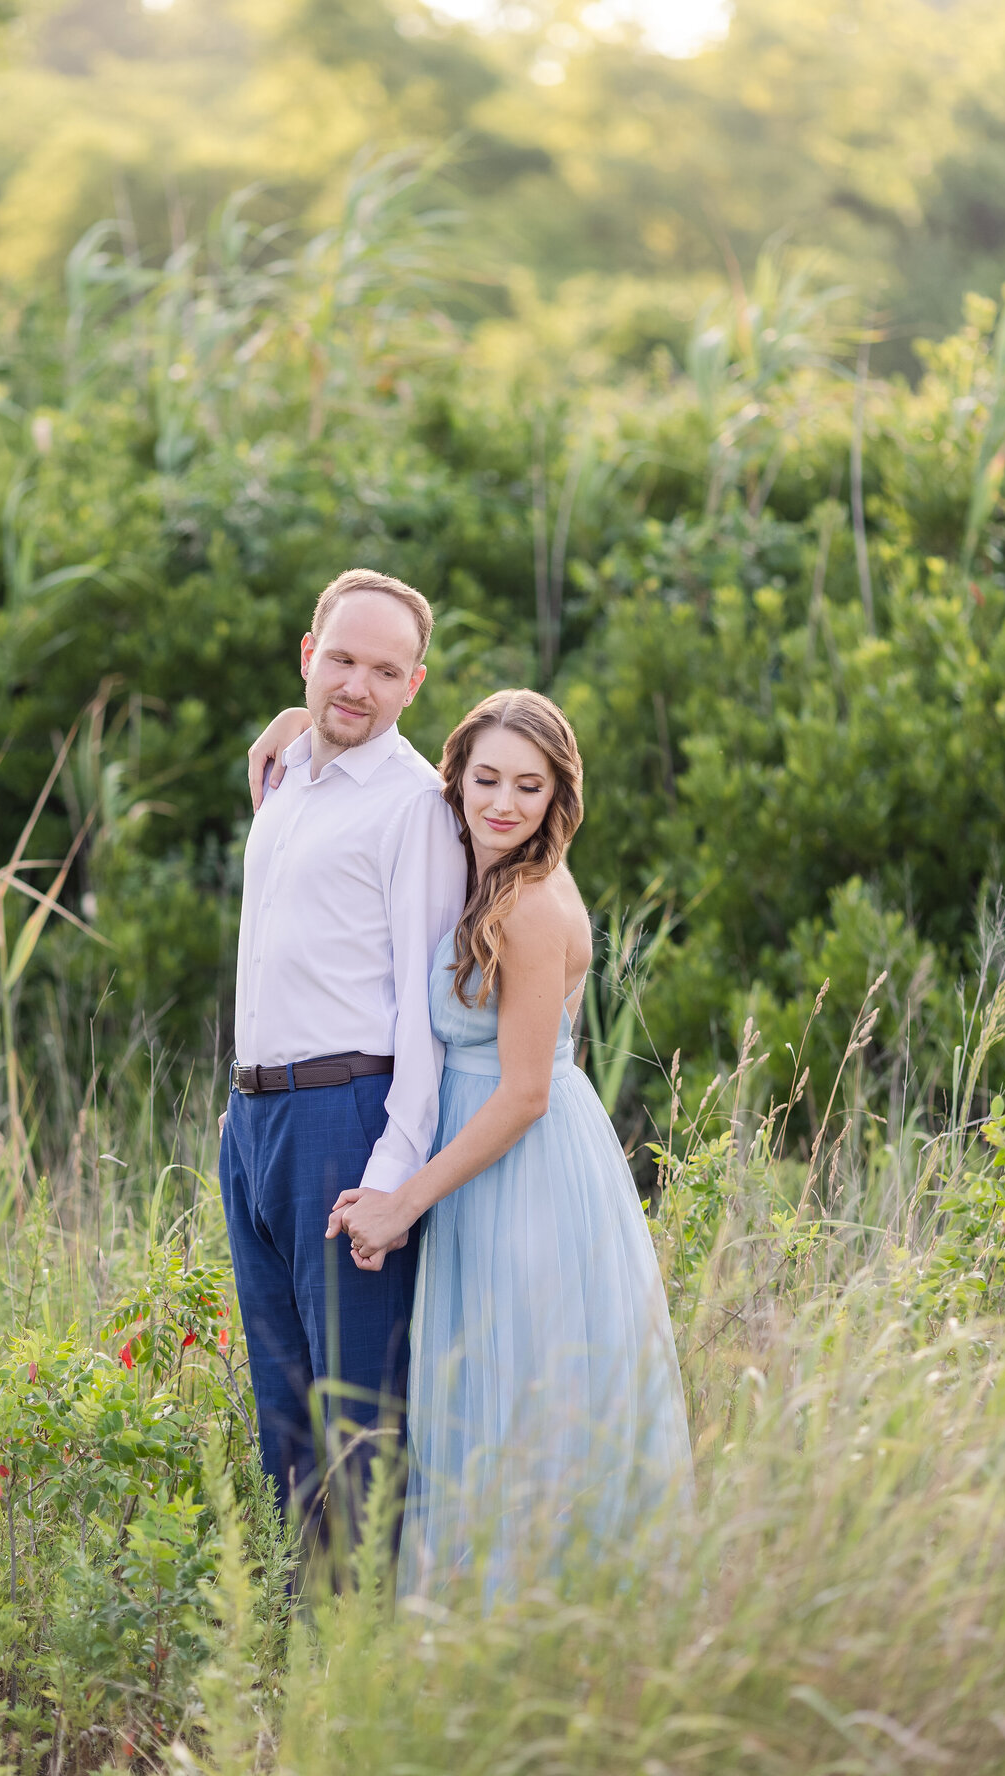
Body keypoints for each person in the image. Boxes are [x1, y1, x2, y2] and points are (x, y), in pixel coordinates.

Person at [258, 687, 692, 1599]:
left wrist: (403, 1199)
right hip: (469, 1163)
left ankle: (525, 1625)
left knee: (512, 1398)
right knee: (464, 1400)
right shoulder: (479, 868)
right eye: (485, 779)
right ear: (454, 780)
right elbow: (357, 758)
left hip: (517, 1172)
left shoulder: (532, 906)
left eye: (527, 789)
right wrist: (296, 724)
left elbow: (525, 1092)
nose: (501, 803)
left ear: (556, 801)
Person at [221, 568, 466, 1549]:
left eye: (386, 669)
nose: (358, 685)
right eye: (343, 660)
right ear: (309, 655)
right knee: (280, 1409)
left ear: (416, 684)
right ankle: (296, 1657)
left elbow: (425, 1014)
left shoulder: (413, 806)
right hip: (254, 1118)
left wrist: (392, 1176)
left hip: (348, 1118)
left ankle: (364, 1654)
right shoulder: (285, 774)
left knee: (356, 1416)